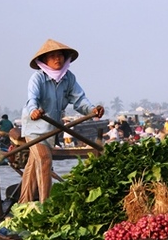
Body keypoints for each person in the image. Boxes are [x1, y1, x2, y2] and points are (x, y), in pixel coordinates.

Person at [18, 38, 104, 203]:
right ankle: (46, 207)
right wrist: (34, 111)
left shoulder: (68, 78)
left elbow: (80, 99)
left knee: (33, 165)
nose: (58, 59)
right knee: (44, 160)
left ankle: (23, 202)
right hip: (34, 127)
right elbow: (32, 99)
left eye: (60, 56)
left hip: (51, 128)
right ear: (44, 60)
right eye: (53, 56)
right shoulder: (38, 78)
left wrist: (92, 110)